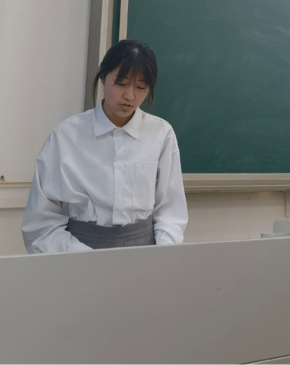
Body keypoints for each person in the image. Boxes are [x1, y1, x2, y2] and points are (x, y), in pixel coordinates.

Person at [22, 39, 188, 253]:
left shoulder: (161, 134)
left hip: (145, 254)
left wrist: (162, 254)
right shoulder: (65, 136)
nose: (130, 96)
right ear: (103, 77)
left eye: (141, 87)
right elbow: (41, 223)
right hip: (76, 253)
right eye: (121, 83)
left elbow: (170, 212)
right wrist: (85, 258)